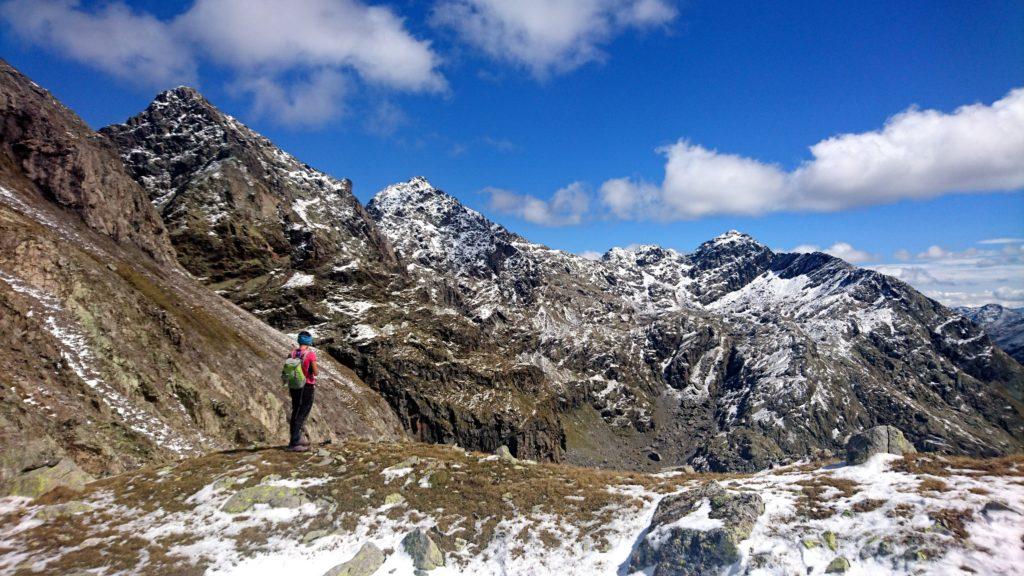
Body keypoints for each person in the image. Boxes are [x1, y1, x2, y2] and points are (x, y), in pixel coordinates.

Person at [287, 331, 318, 452]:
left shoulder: (292, 353)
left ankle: (295, 438)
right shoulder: (310, 355)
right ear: (308, 342)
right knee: (303, 412)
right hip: (307, 386)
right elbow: (315, 372)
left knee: (296, 410)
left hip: (294, 386)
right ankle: (295, 442)